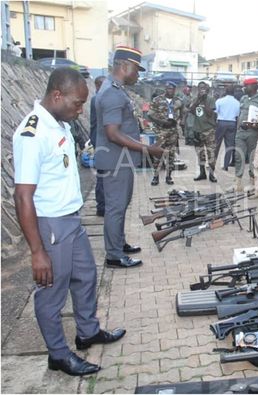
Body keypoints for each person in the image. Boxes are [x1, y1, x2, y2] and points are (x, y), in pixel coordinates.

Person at [13, 68, 126, 376]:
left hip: (71, 220)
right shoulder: (32, 134)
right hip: (51, 226)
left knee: (86, 276)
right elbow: (22, 197)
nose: (80, 110)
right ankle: (58, 355)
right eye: (77, 103)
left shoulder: (59, 123)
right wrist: (37, 251)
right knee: (52, 292)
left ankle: (87, 332)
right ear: (57, 95)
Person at [95, 46, 164, 268]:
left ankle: (119, 244)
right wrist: (147, 149)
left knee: (120, 205)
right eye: (136, 69)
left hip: (119, 159)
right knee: (115, 207)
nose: (138, 74)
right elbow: (112, 133)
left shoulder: (115, 89)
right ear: (124, 66)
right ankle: (114, 255)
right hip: (116, 160)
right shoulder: (113, 93)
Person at [148, 81, 183, 186]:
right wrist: (162, 122)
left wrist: (181, 120)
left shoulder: (178, 101)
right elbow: (150, 115)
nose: (170, 90)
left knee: (171, 155)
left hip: (173, 132)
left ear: (175, 90)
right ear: (165, 89)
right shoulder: (157, 100)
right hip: (161, 131)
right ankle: (155, 177)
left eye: (172, 89)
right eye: (168, 88)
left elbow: (183, 111)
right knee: (158, 154)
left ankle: (169, 176)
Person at [234, 78, 258, 192]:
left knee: (253, 157)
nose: (244, 88)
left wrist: (255, 125)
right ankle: (238, 181)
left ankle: (252, 181)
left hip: (253, 132)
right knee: (238, 155)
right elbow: (240, 113)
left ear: (253, 86)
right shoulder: (243, 98)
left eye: (246, 86)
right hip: (241, 131)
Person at [190, 81, 217, 183]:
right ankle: (202, 173)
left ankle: (212, 174)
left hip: (209, 130)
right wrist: (198, 100)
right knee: (200, 154)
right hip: (198, 130)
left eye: (204, 88)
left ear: (207, 89)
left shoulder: (211, 99)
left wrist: (204, 100)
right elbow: (191, 111)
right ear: (198, 89)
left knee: (211, 154)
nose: (202, 90)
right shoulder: (195, 99)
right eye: (200, 88)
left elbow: (210, 114)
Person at [89, 75, 106, 216]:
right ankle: (101, 205)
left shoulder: (97, 99)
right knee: (102, 175)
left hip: (98, 140)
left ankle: (102, 204)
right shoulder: (98, 100)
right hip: (100, 142)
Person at [215, 84, 241, 172]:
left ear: (225, 91)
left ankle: (212, 163)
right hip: (232, 123)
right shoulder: (237, 103)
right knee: (229, 146)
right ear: (234, 92)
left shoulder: (220, 101)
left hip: (221, 122)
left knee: (217, 144)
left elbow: (215, 112)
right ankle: (226, 165)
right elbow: (237, 115)